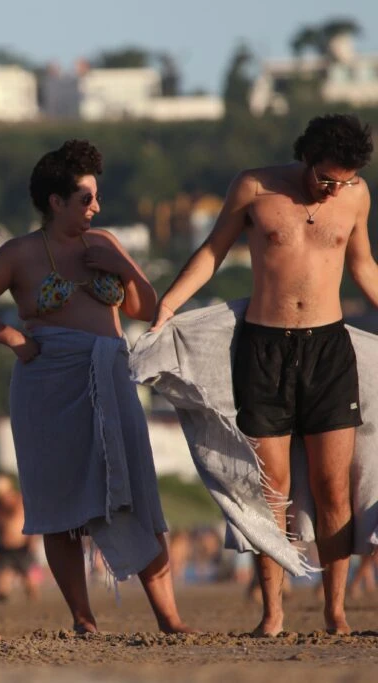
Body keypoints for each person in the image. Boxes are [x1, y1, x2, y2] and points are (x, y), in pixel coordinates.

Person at [150, 114, 375, 636]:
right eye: (326, 178)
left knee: (332, 488)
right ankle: (272, 613)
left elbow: (364, 266)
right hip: (264, 348)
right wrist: (169, 305)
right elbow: (212, 252)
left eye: (343, 181)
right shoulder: (254, 187)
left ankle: (335, 612)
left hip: (328, 349)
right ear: (306, 156)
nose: (333, 189)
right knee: (270, 488)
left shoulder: (356, 196)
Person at [0, 140, 191, 634]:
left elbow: (144, 308)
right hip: (47, 382)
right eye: (85, 198)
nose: (95, 207)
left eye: (96, 197)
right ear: (55, 201)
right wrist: (14, 339)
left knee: (140, 495)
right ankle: (83, 619)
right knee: (58, 504)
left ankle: (169, 619)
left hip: (110, 372)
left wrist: (123, 269)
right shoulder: (21, 252)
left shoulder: (103, 243)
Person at [0, 474, 40, 602]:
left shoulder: (20, 501)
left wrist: (32, 541)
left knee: (31, 585)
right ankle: (1, 599)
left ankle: (33, 604)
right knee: (2, 589)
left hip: (22, 547)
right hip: (5, 549)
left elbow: (31, 520)